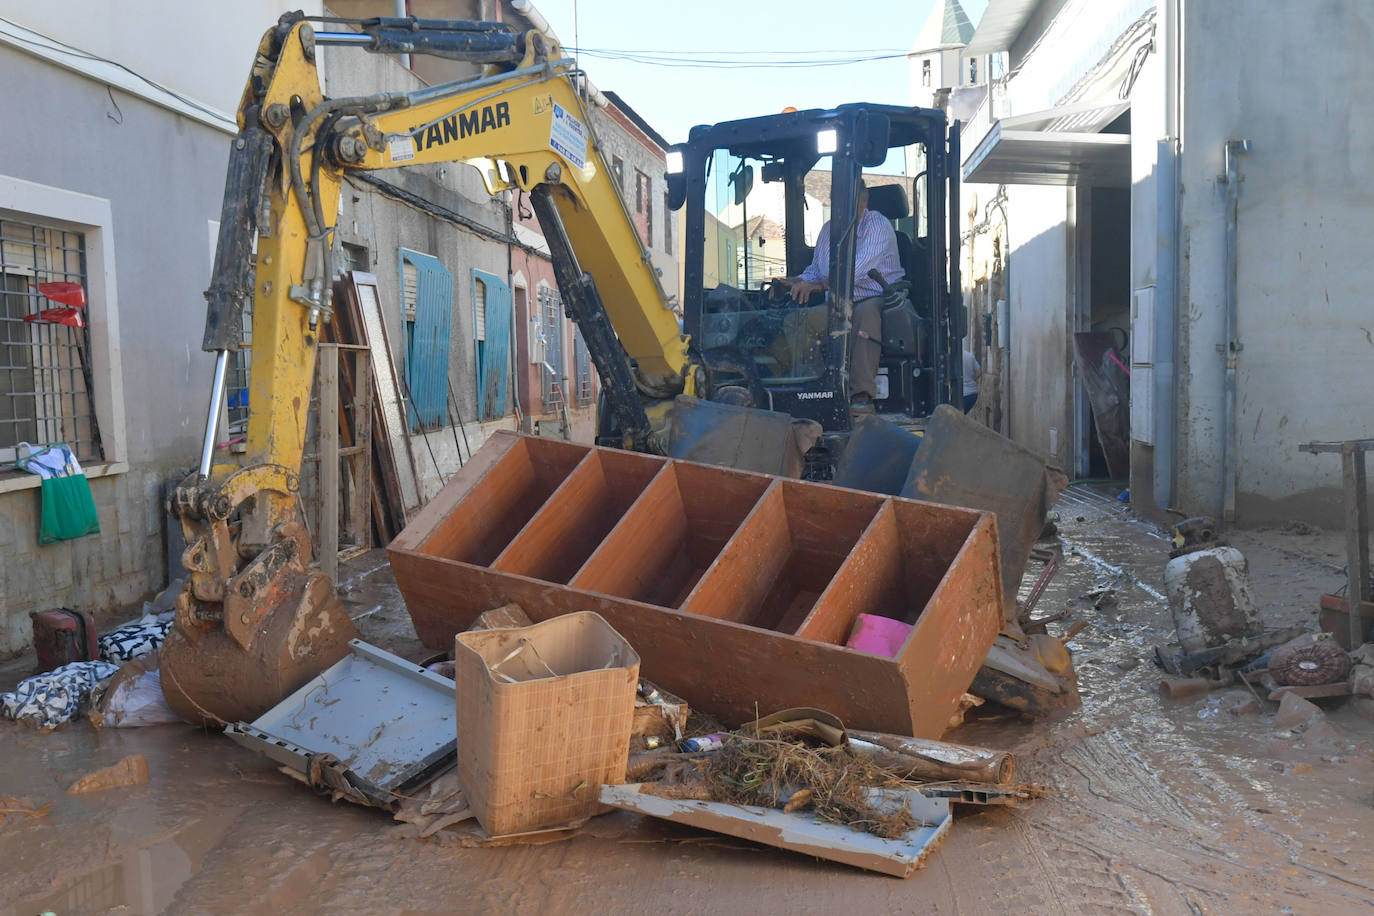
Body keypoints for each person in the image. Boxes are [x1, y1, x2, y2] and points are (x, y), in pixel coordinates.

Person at [768, 181, 905, 409]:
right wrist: (792, 282)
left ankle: (861, 396)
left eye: (850, 200)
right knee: (797, 321)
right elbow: (815, 271)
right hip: (838, 301)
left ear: (864, 200)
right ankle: (815, 388)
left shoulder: (877, 225)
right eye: (837, 201)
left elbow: (855, 271)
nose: (842, 207)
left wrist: (819, 286)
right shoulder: (828, 231)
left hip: (875, 295)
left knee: (864, 316)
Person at [962, 348, 980, 412]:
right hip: (972, 394)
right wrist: (972, 380)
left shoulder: (951, 356)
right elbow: (979, 371)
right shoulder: (969, 355)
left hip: (960, 395)